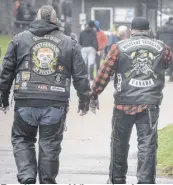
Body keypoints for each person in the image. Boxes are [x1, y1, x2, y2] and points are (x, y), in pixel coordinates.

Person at [0, 5, 90, 184]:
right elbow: (80, 74)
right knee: (50, 144)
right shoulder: (68, 42)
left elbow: (7, 71)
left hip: (26, 99)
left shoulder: (19, 39)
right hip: (55, 102)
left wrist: (3, 98)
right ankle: (47, 181)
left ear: (36, 18)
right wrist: (84, 99)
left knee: (22, 139)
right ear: (56, 21)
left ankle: (27, 176)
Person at [90, 17, 173, 184]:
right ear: (149, 30)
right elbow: (168, 63)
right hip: (150, 103)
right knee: (147, 144)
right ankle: (146, 180)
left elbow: (104, 72)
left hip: (124, 103)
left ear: (131, 31)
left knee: (119, 143)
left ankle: (117, 179)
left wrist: (93, 95)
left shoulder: (118, 47)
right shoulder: (163, 48)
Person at [157, 17, 173, 81]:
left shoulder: (161, 27)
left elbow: (157, 37)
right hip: (171, 46)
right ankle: (170, 75)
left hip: (162, 46)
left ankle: (161, 75)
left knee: (161, 60)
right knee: (171, 59)